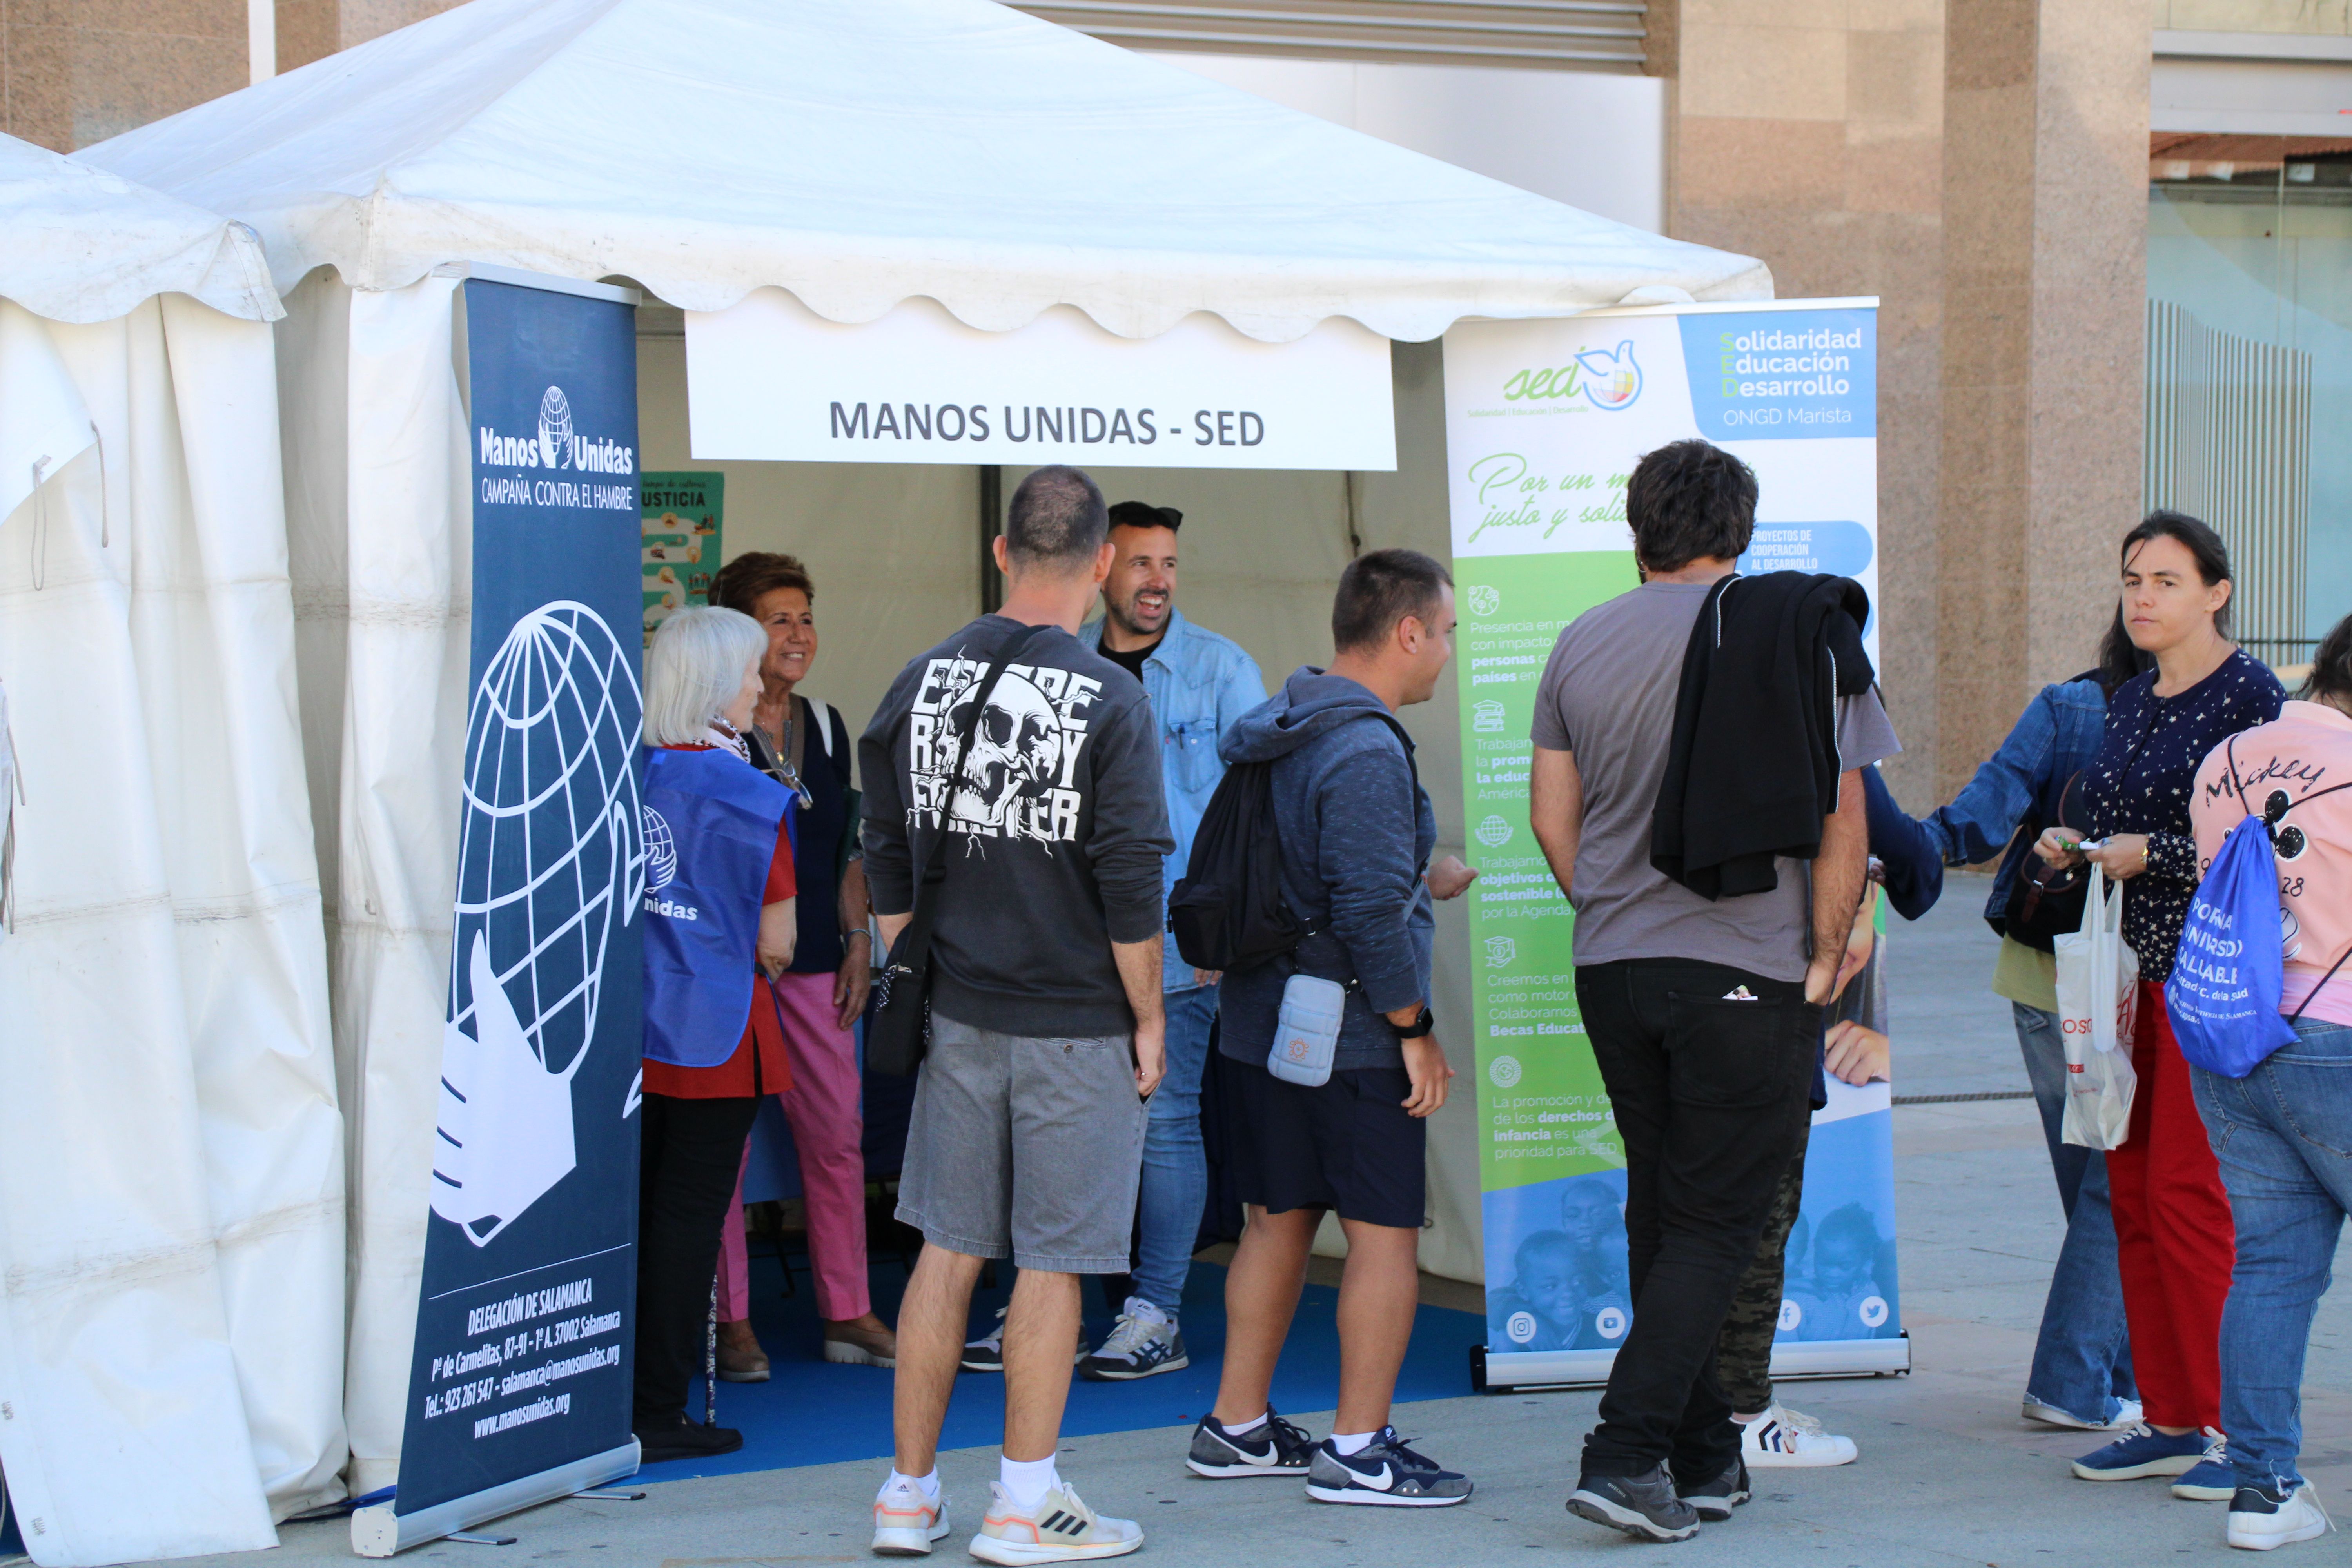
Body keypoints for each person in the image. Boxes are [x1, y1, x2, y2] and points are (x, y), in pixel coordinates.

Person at [1528, 439, 1895, 1543]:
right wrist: (1824, 965)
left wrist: (1613, 912)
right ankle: (1625, 1451)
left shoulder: (1581, 638)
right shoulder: (1792, 632)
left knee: (1666, 1202)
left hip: (1613, 968)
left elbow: (1557, 819)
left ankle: (1700, 1458)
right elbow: (1845, 818)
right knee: (1720, 1221)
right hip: (1744, 968)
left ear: (1636, 531)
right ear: (1740, 532)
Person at [860, 466, 1172, 1563]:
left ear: (1000, 554)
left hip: (957, 1013)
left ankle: (906, 1497)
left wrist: (915, 964)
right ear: (1099, 564)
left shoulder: (918, 681)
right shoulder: (1112, 698)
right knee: (1053, 1259)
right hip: (1078, 1021)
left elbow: (884, 853)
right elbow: (1132, 886)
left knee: (945, 1251)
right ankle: (1023, 1503)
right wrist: (1150, 1021)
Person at [1185, 547, 1479, 1508]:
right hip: (1350, 1038)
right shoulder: (1364, 746)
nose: (1447, 650)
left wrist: (1416, 869)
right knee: (1385, 1236)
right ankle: (1360, 1451)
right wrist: (1415, 1025)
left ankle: (1236, 1426)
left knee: (1275, 1223)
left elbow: (1305, 868)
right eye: (1444, 631)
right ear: (1406, 632)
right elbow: (1361, 914)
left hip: (1256, 1027)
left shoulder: (1279, 724)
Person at [2034, 512, 2283, 1502]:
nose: (2143, 596)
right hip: (2124, 977)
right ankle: (2171, 1415)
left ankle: (2231, 1426)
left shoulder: (2253, 696)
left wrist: (2162, 854)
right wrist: (2074, 839)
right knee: (2131, 1196)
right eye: (2133, 578)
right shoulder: (2130, 699)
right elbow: (2110, 814)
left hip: (2208, 980)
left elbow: (2273, 843)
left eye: (2167, 580)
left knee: (2189, 1198)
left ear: (2217, 592)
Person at [1900, 613, 2149, 1433]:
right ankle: (2080, 1379)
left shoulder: (2070, 705)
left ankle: (2118, 1376)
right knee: (2121, 1187)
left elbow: (1980, 811)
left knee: (2097, 1187)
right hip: (2134, 984)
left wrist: (1904, 852)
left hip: (2048, 972)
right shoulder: (2218, 712)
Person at [1075, 500, 1265, 1381]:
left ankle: (1156, 1310)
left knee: (1166, 1122)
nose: (1158, 581)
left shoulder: (1222, 669)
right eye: (1142, 563)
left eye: (1170, 565)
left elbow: (1259, 810)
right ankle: (1052, 1299)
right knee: (1067, 1124)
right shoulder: (1063, 663)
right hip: (1070, 941)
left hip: (1180, 942)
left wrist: (1228, 922)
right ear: (1103, 566)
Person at [704, 552, 892, 1377]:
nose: (799, 632)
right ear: (738, 632)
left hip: (818, 962)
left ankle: (847, 1310)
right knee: (724, 1147)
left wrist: (861, 942)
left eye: (805, 615)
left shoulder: (827, 724)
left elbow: (843, 850)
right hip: (730, 971)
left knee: (836, 1140)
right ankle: (729, 1321)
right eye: (779, 618)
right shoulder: (709, 723)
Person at [2187, 610, 2352, 1552]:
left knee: (2272, 1271)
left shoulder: (2228, 756)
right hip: (2340, 1040)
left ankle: (2264, 1491)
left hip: (2239, 1039)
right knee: (2275, 1270)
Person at [632, 606, 798, 1463]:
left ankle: (617, 1393)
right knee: (688, 1222)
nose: (756, 683)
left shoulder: (628, 771)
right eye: (745, 670)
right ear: (713, 681)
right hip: (718, 1034)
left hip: (630, 1030)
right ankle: (659, 1408)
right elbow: (780, 940)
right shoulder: (752, 790)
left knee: (637, 1212)